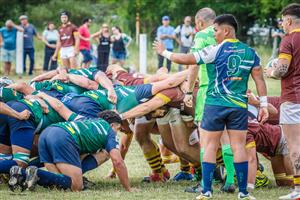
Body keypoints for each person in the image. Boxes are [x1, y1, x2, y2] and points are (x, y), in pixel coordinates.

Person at [154, 14, 269, 200]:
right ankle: (243, 192)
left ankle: (206, 191)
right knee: (238, 146)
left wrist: (164, 52)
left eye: (216, 30)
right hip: (238, 106)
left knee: (208, 146)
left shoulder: (215, 50)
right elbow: (260, 80)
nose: (213, 34)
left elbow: (188, 59)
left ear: (226, 30)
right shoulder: (251, 52)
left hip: (215, 104)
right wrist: (263, 104)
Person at [183, 8, 236, 194]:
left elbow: (194, 65)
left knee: (205, 139)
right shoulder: (228, 35)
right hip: (229, 91)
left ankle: (205, 184)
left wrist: (189, 91)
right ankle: (230, 180)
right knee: (226, 137)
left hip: (208, 91)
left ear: (199, 22)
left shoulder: (201, 35)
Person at [265, 3, 300, 200]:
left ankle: (298, 191)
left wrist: (271, 71)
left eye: (282, 21)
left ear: (288, 20)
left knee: (295, 146)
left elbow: (282, 70)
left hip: (293, 99)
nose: (282, 25)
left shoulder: (289, 39)